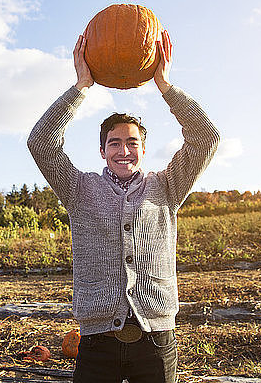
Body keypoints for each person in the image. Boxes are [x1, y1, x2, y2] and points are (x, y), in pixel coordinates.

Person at [27, 30, 220, 383]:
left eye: (132, 142)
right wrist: (81, 86)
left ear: (143, 149)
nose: (123, 150)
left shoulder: (166, 186)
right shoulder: (79, 188)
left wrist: (164, 85)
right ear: (103, 151)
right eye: (114, 143)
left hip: (156, 338)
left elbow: (206, 138)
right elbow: (41, 142)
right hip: (98, 340)